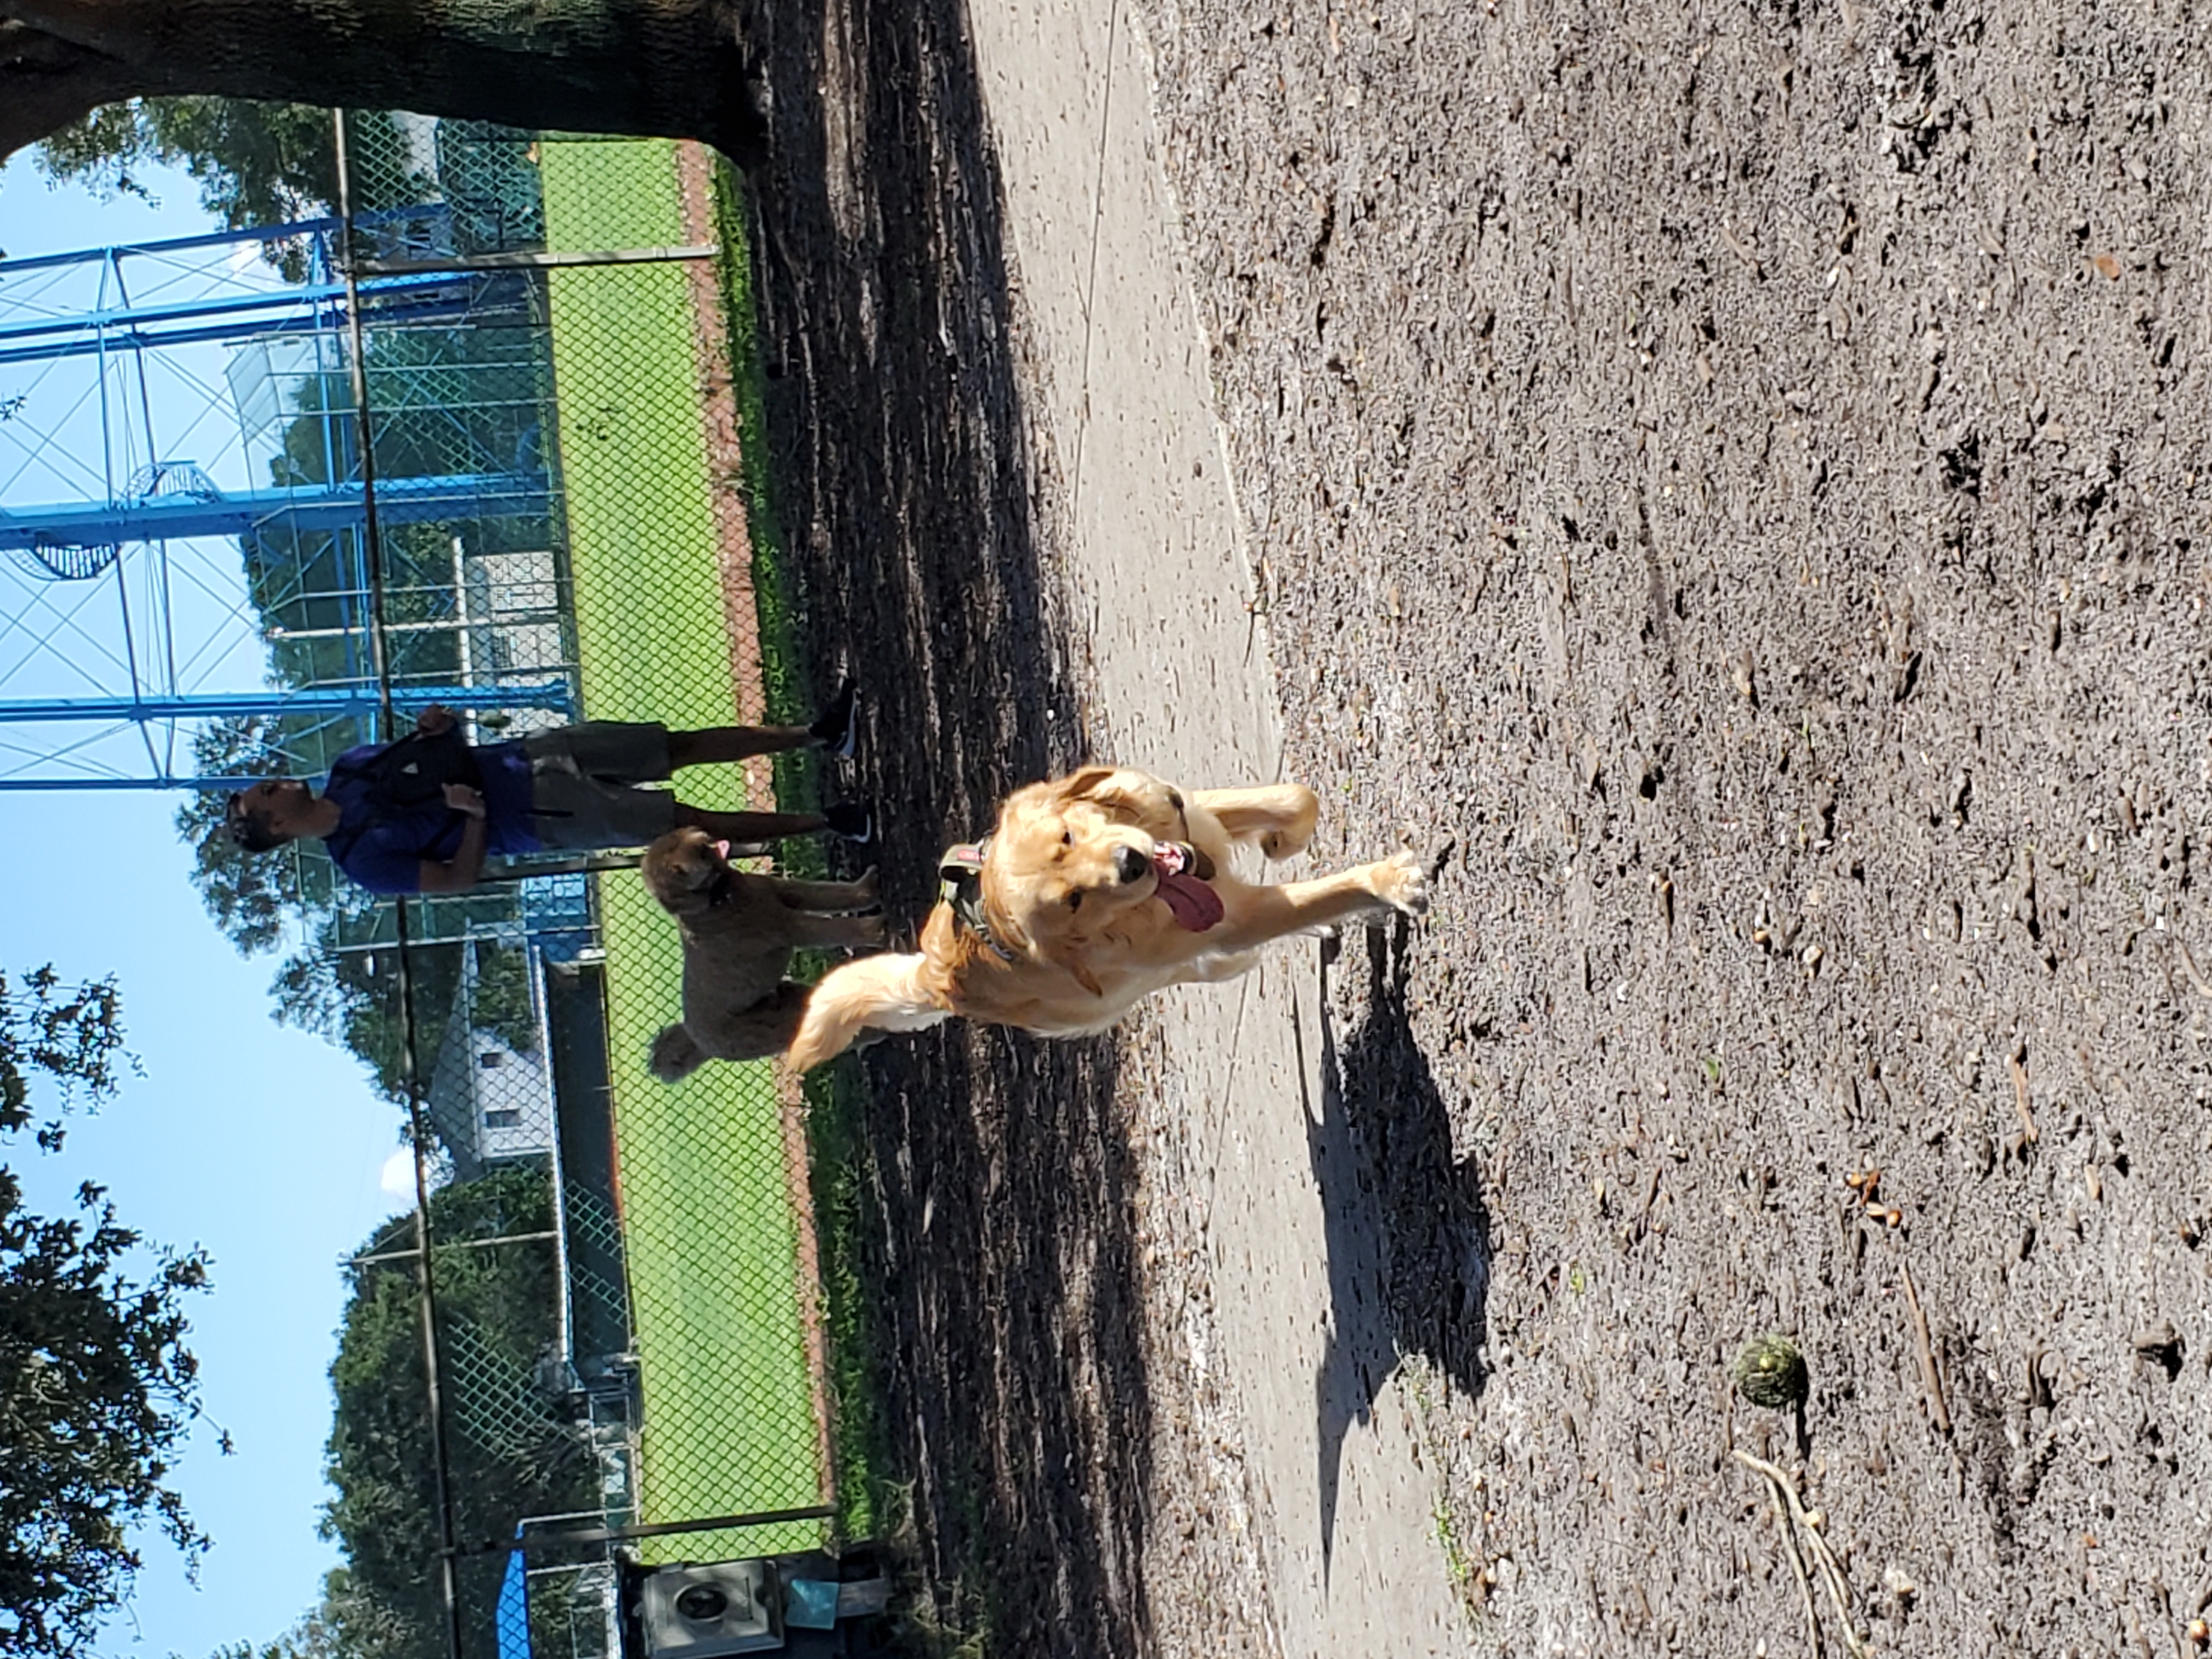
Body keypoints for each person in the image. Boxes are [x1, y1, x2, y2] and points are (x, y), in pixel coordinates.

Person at [225, 683, 870, 897]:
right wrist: (473, 819)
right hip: (541, 816)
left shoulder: (350, 766)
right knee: (689, 822)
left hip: (531, 756)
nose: (278, 783)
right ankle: (833, 822)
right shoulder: (362, 862)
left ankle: (815, 735)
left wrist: (438, 727)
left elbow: (433, 753)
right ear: (278, 828)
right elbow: (454, 881)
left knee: (673, 745)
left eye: (268, 782)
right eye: (268, 796)